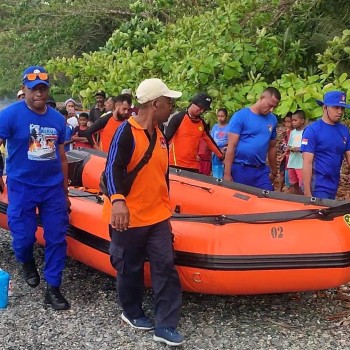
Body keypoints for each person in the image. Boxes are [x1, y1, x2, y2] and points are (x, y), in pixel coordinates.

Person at [105, 78, 184, 346]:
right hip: (130, 216)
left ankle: (166, 325)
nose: (172, 107)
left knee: (165, 265)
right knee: (130, 267)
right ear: (156, 104)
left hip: (158, 216)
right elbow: (112, 169)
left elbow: (162, 173)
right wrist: (118, 201)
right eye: (169, 102)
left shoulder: (160, 133)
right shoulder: (125, 132)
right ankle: (132, 311)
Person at [0, 65, 70, 310]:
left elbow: (61, 157)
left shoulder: (57, 119)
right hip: (21, 186)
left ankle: (53, 288)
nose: (38, 93)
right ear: (24, 90)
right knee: (23, 236)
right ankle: (26, 260)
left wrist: (65, 190)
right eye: (33, 89)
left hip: (51, 189)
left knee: (57, 238)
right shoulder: (10, 115)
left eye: (43, 88)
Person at [224, 87, 281, 190]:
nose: (271, 110)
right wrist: (227, 174)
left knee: (268, 197)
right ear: (261, 98)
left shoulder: (272, 119)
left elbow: (272, 147)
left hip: (260, 169)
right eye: (270, 105)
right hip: (240, 167)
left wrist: (274, 171)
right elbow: (231, 146)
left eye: (274, 107)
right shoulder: (240, 116)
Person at [301, 91, 350, 199]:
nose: (340, 111)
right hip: (317, 186)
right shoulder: (312, 130)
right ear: (325, 108)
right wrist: (307, 193)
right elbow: (307, 162)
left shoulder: (344, 131)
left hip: (333, 185)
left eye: (342, 108)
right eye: (336, 107)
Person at [165, 92, 223, 172]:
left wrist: (221, 156)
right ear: (193, 103)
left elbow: (209, 141)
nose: (202, 111)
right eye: (200, 107)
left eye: (204, 109)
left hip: (193, 166)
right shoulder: (179, 118)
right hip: (175, 164)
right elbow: (166, 140)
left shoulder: (201, 123)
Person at [287, 110, 306, 194]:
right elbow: (289, 145)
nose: (293, 122)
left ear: (302, 121)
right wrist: (290, 148)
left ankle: (302, 200)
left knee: (302, 183)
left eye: (295, 120)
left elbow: (307, 146)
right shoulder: (292, 133)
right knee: (293, 182)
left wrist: (299, 149)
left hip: (301, 164)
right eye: (292, 120)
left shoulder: (306, 132)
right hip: (292, 162)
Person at [211, 108, 230, 180]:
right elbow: (211, 139)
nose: (220, 118)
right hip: (214, 153)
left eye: (222, 116)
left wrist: (225, 148)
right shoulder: (215, 127)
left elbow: (231, 141)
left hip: (224, 153)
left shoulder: (229, 127)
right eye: (219, 116)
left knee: (223, 172)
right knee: (216, 172)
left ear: (226, 117)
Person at [277, 113, 292, 192]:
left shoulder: (295, 133)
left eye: (289, 122)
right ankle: (279, 190)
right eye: (286, 122)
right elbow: (281, 144)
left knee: (289, 175)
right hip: (285, 156)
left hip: (291, 157)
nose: (287, 124)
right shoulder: (286, 133)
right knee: (282, 173)